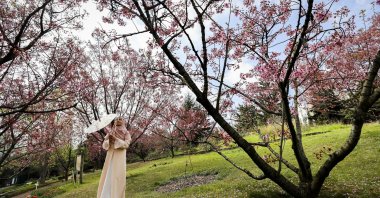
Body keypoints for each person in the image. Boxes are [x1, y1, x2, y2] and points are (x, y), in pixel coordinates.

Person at [97, 117, 132, 198]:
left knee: (117, 176)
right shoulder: (111, 131)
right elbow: (104, 145)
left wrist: (116, 139)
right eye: (116, 119)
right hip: (110, 157)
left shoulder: (126, 132)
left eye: (120, 119)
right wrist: (109, 140)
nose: (118, 120)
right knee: (108, 174)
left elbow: (126, 144)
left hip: (119, 157)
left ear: (123, 121)